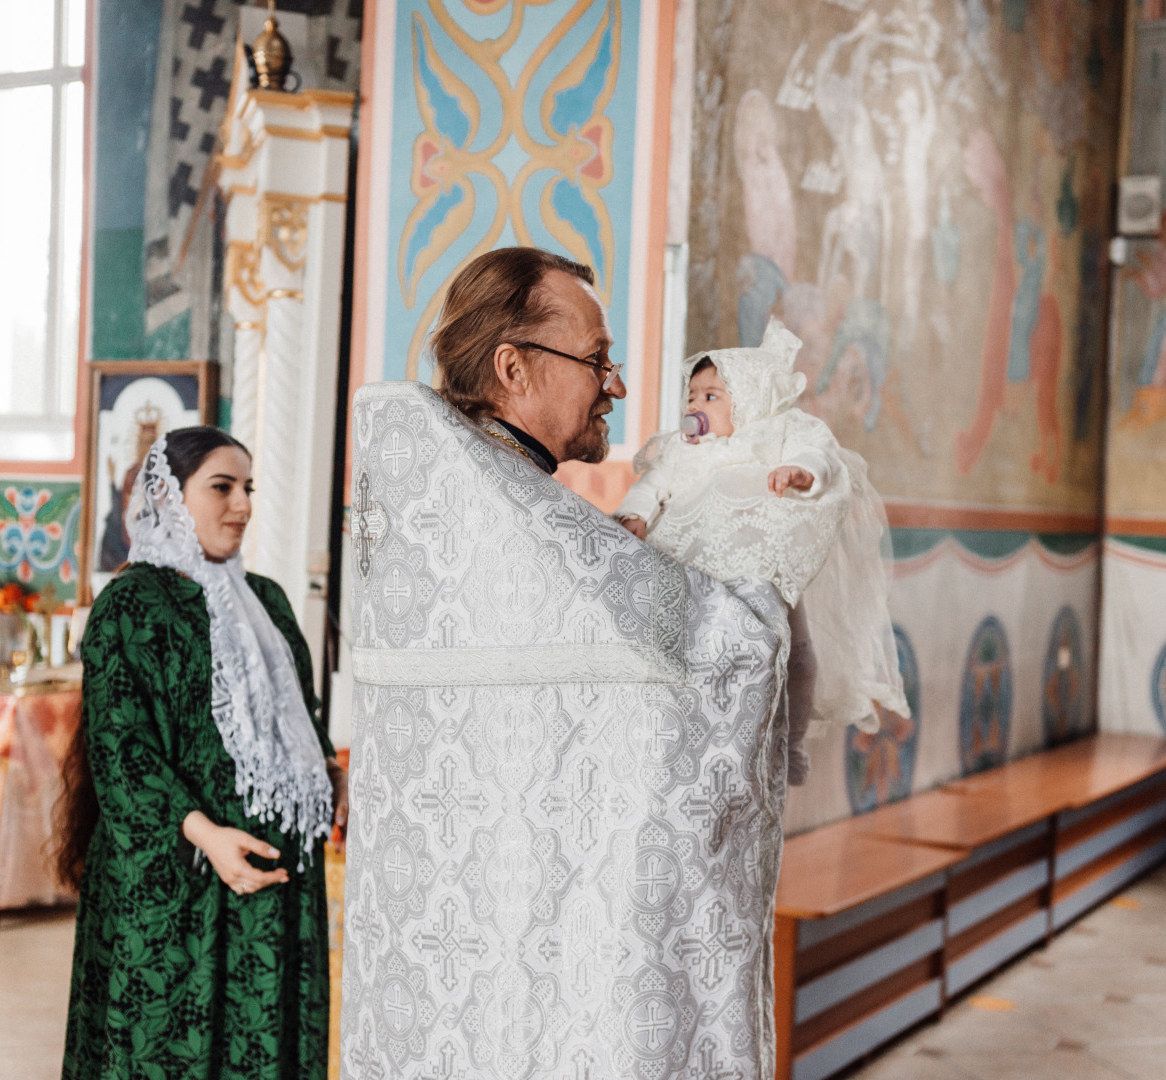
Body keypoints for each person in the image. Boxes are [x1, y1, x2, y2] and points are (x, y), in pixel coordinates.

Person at [342, 248, 792, 1079]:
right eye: (595, 360)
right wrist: (767, 588)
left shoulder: (447, 503)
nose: (615, 386)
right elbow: (726, 651)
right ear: (512, 366)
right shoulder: (518, 515)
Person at [55, 426, 348, 1080]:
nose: (241, 505)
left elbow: (299, 715)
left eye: (248, 488)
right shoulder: (132, 604)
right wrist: (208, 837)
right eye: (222, 487)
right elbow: (121, 752)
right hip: (176, 882)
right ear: (170, 495)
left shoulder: (268, 601)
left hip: (274, 887)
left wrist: (329, 771)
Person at [616, 318, 909, 783]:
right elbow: (653, 484)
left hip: (763, 574)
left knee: (797, 654)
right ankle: (690, 734)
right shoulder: (682, 451)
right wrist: (635, 514)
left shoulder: (774, 431)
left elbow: (821, 454)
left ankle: (789, 742)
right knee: (694, 654)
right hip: (695, 570)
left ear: (748, 399)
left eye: (711, 396)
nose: (696, 405)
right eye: (691, 396)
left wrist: (799, 470)